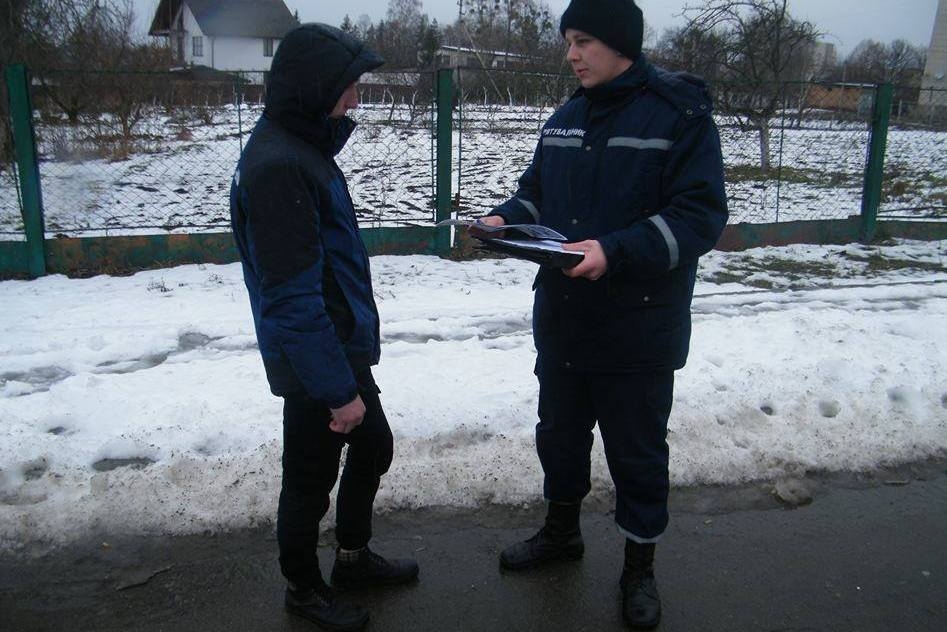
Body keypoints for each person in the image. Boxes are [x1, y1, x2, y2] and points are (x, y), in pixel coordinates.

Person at [480, 0, 728, 628]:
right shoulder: (566, 117)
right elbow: (538, 192)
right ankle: (561, 533)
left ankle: (639, 568)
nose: (572, 54)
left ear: (622, 44)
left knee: (637, 453)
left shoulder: (680, 118)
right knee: (559, 438)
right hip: (564, 319)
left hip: (639, 327)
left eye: (584, 40)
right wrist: (508, 218)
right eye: (568, 40)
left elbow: (699, 217)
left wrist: (614, 252)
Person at [229, 24, 418, 631]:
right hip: (313, 356)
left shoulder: (301, 146)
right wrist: (336, 390)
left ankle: (353, 559)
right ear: (315, 88)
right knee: (309, 480)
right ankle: (303, 588)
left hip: (335, 347)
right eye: (349, 86)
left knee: (373, 446)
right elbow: (290, 300)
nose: (356, 99)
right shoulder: (281, 166)